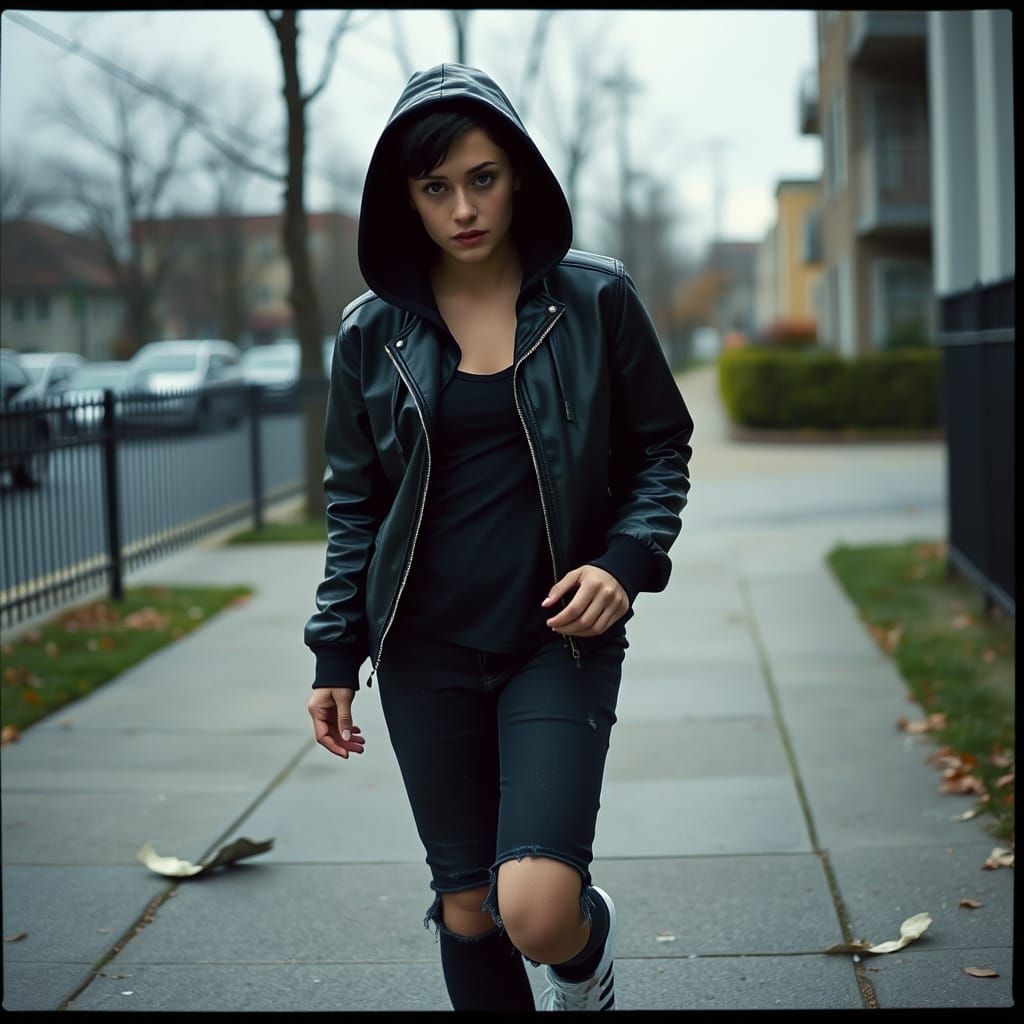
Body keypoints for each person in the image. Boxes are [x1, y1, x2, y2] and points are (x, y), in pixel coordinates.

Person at [304, 63, 693, 1012]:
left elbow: (661, 448)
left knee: (537, 908)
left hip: (555, 637)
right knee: (468, 906)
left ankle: (586, 960)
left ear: (519, 174)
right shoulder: (370, 335)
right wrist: (333, 652)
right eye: (435, 188)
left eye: (482, 178)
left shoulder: (595, 300)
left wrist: (623, 563)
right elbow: (355, 504)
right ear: (406, 199)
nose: (463, 208)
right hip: (424, 648)